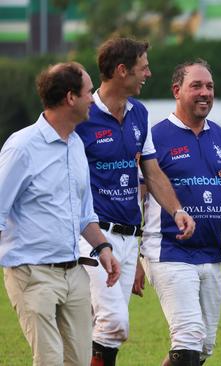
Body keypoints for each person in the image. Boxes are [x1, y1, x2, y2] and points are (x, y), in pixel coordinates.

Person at [74, 37, 196, 365]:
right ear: (122, 70)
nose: (149, 73)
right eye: (143, 68)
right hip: (94, 236)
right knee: (113, 324)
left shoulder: (140, 113)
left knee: (88, 326)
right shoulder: (83, 117)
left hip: (131, 237)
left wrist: (177, 210)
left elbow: (152, 171)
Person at [139, 59, 221, 366]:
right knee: (188, 337)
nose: (205, 92)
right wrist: (132, 257)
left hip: (210, 254)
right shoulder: (153, 138)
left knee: (202, 346)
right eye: (196, 86)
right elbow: (136, 199)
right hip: (167, 251)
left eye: (209, 86)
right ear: (177, 90)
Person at [0, 62, 120, 366]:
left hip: (74, 273)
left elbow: (84, 214)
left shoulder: (77, 144)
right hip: (31, 273)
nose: (93, 98)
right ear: (70, 98)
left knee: (79, 361)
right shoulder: (22, 147)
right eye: (89, 91)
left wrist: (103, 247)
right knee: (50, 361)